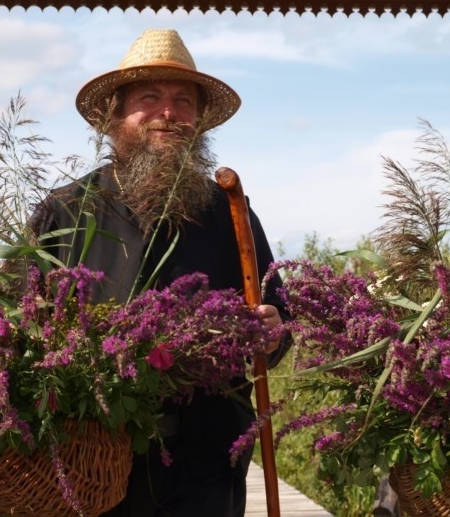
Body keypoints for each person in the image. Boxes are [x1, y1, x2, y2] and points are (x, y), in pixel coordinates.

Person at [30, 29, 290, 517]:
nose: (168, 114)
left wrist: (274, 333)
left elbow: (279, 315)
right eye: (149, 98)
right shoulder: (65, 212)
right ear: (115, 116)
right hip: (91, 455)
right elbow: (18, 320)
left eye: (183, 102)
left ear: (199, 121)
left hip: (206, 461)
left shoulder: (229, 212)